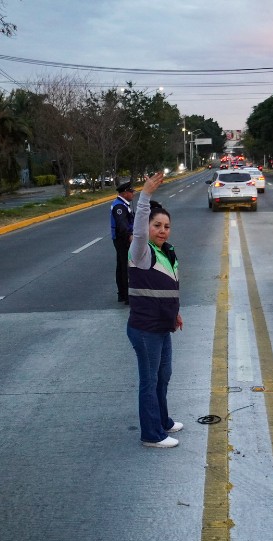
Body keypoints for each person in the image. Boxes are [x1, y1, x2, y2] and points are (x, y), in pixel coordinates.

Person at [126, 172, 184, 449]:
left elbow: (167, 288)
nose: (162, 230)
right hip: (145, 329)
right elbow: (138, 230)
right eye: (157, 225)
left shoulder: (167, 251)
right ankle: (151, 433)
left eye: (166, 226)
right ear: (147, 228)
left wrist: (175, 314)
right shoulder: (141, 252)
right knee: (149, 382)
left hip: (163, 326)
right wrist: (145, 196)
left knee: (164, 375)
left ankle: (163, 421)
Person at [111, 182, 135, 304]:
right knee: (126, 267)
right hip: (123, 240)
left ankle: (122, 294)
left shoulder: (123, 204)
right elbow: (122, 225)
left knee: (121, 266)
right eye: (131, 192)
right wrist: (129, 236)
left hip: (121, 239)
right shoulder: (119, 207)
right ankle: (127, 296)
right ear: (125, 193)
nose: (133, 194)